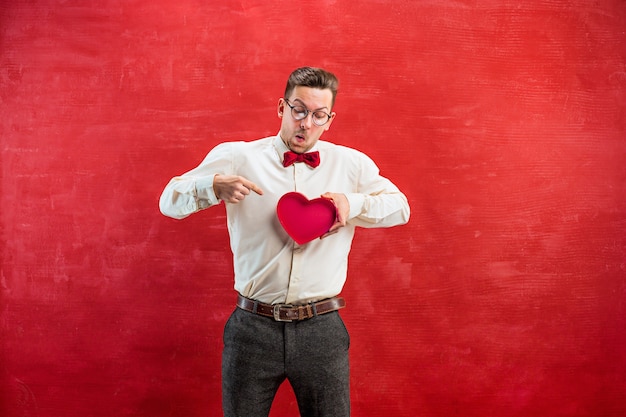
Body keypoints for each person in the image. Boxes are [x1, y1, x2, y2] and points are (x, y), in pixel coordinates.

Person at [159, 67, 410, 417]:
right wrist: (212, 186)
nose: (306, 123)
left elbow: (401, 207)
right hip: (251, 329)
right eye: (299, 110)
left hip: (322, 329)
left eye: (318, 115)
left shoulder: (351, 165)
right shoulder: (238, 157)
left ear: (329, 120)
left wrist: (352, 205)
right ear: (282, 108)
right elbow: (168, 200)